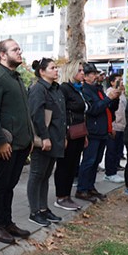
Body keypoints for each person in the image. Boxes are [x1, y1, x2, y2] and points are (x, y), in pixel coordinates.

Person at [0, 39, 35, 244]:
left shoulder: (16, 78)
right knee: (0, 185)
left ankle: (7, 222)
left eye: (19, 48)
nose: (20, 51)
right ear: (2, 55)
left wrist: (30, 138)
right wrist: (0, 143)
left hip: (22, 145)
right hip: (6, 146)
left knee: (10, 186)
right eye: (15, 49)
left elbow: (24, 112)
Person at [27, 58, 66, 227]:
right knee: (36, 175)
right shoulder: (38, 89)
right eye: (52, 68)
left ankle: (43, 209)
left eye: (56, 67)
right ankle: (34, 211)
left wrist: (63, 137)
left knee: (45, 175)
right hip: (44, 141)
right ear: (42, 72)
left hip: (55, 139)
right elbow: (36, 115)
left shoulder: (56, 88)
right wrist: (44, 137)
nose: (56, 70)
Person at [75, 63, 120, 203]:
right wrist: (108, 99)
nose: (97, 76)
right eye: (93, 74)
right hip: (93, 131)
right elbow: (93, 110)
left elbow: (110, 109)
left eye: (97, 74)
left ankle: (90, 186)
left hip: (102, 130)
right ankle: (82, 189)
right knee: (89, 161)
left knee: (96, 162)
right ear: (87, 77)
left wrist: (115, 97)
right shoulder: (86, 91)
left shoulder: (98, 89)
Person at [53, 60, 87, 211]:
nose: (82, 73)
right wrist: (64, 135)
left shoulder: (78, 89)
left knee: (73, 165)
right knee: (65, 166)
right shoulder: (65, 89)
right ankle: (61, 196)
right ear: (71, 71)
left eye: (82, 70)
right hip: (69, 133)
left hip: (79, 132)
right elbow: (61, 113)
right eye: (79, 70)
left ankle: (67, 196)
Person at [103, 73, 126, 183]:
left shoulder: (122, 94)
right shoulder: (110, 93)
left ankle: (115, 169)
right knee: (111, 150)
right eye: (118, 80)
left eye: (122, 80)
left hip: (122, 126)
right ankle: (110, 172)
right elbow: (109, 111)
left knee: (118, 150)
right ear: (112, 82)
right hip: (114, 126)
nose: (121, 82)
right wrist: (111, 126)